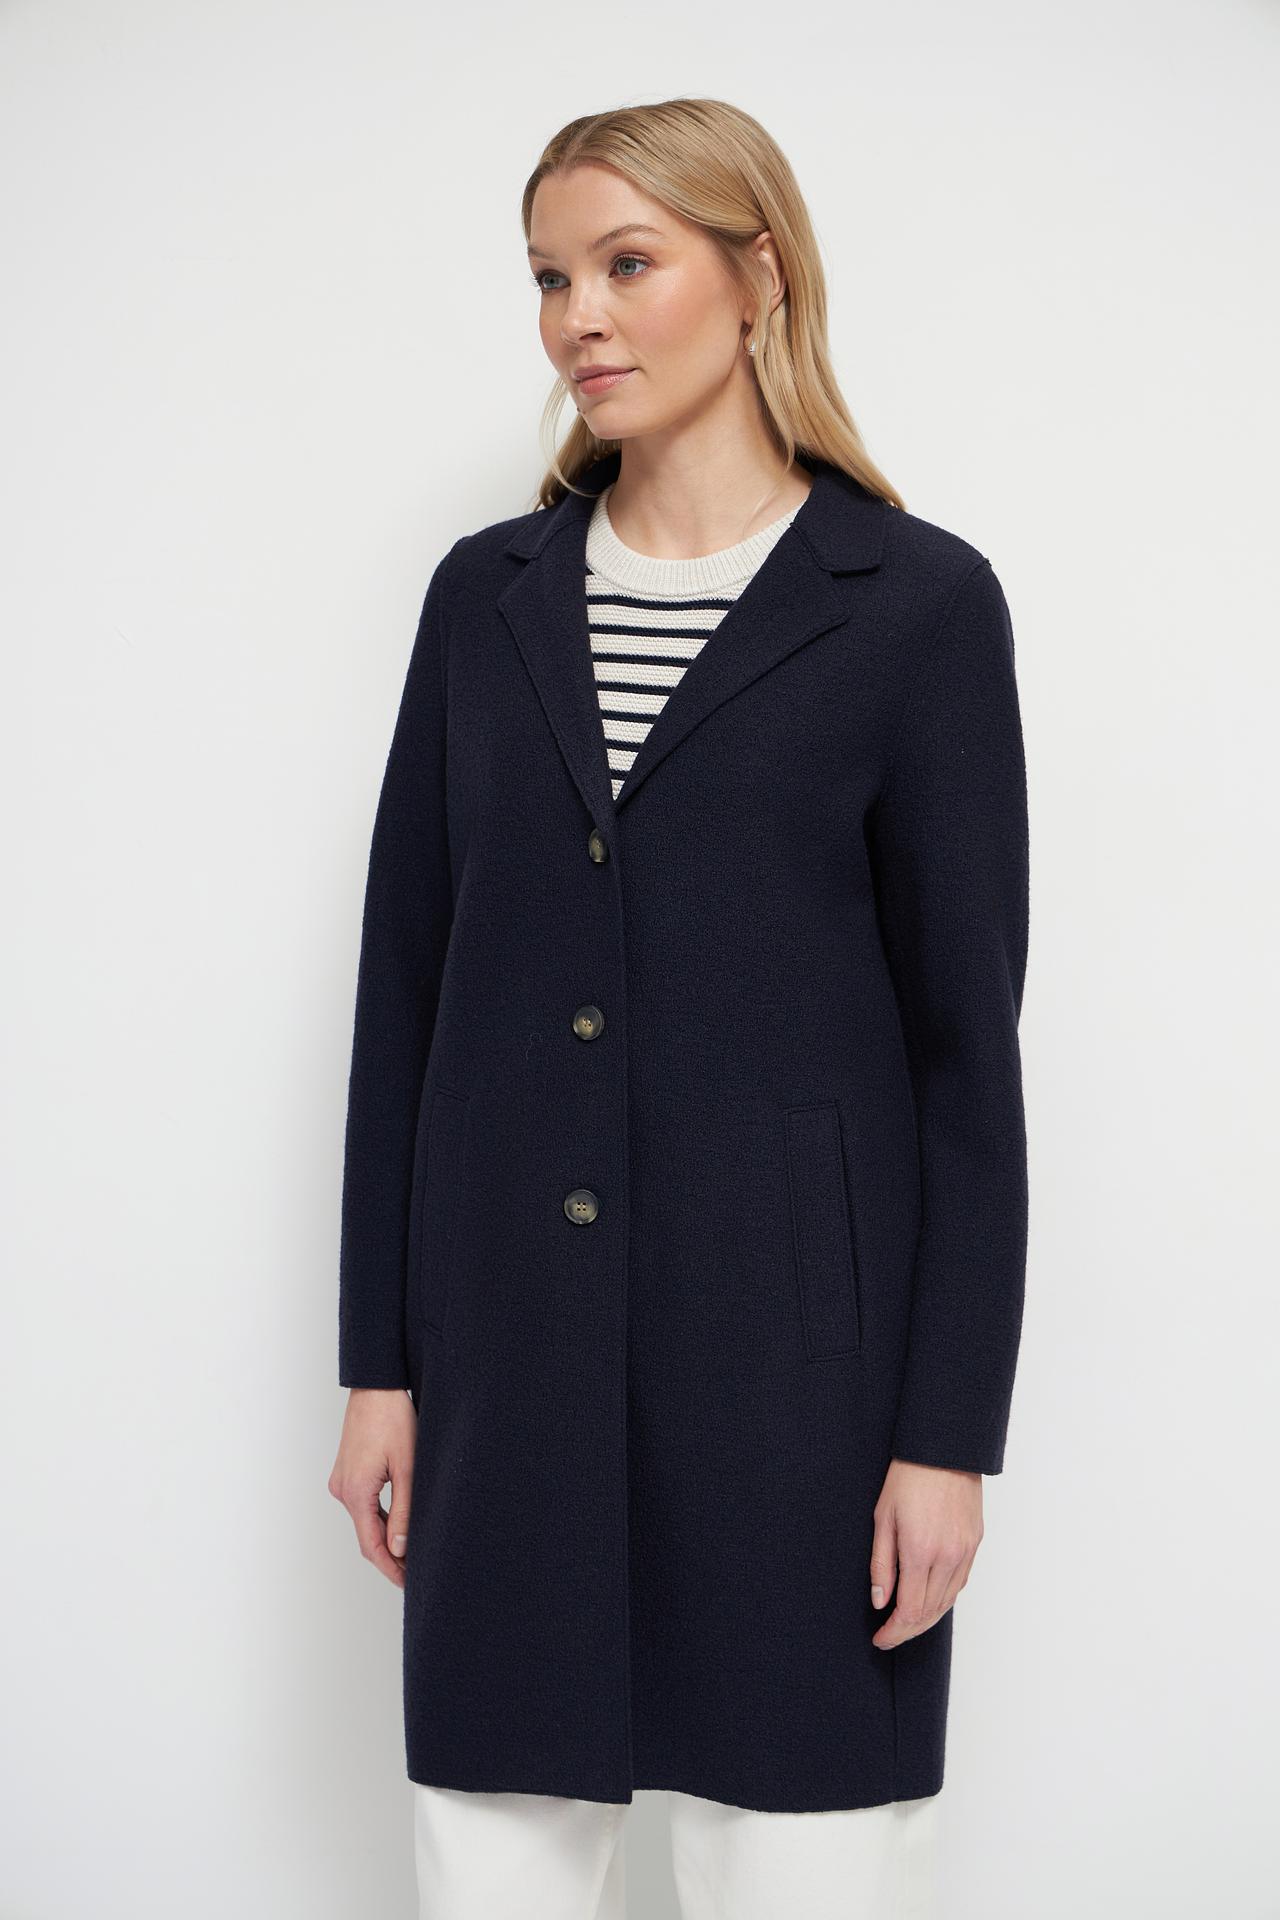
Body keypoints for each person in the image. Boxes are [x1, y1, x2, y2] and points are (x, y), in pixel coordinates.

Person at [328, 95, 1030, 1920]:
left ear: (758, 275)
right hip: (507, 1369)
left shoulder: (917, 608)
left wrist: (947, 1436)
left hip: (800, 1392)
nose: (579, 316)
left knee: (807, 1863)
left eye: (627, 264)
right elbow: (406, 994)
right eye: (550, 276)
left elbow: (967, 1063)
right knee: (489, 1857)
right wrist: (379, 1367)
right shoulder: (483, 602)